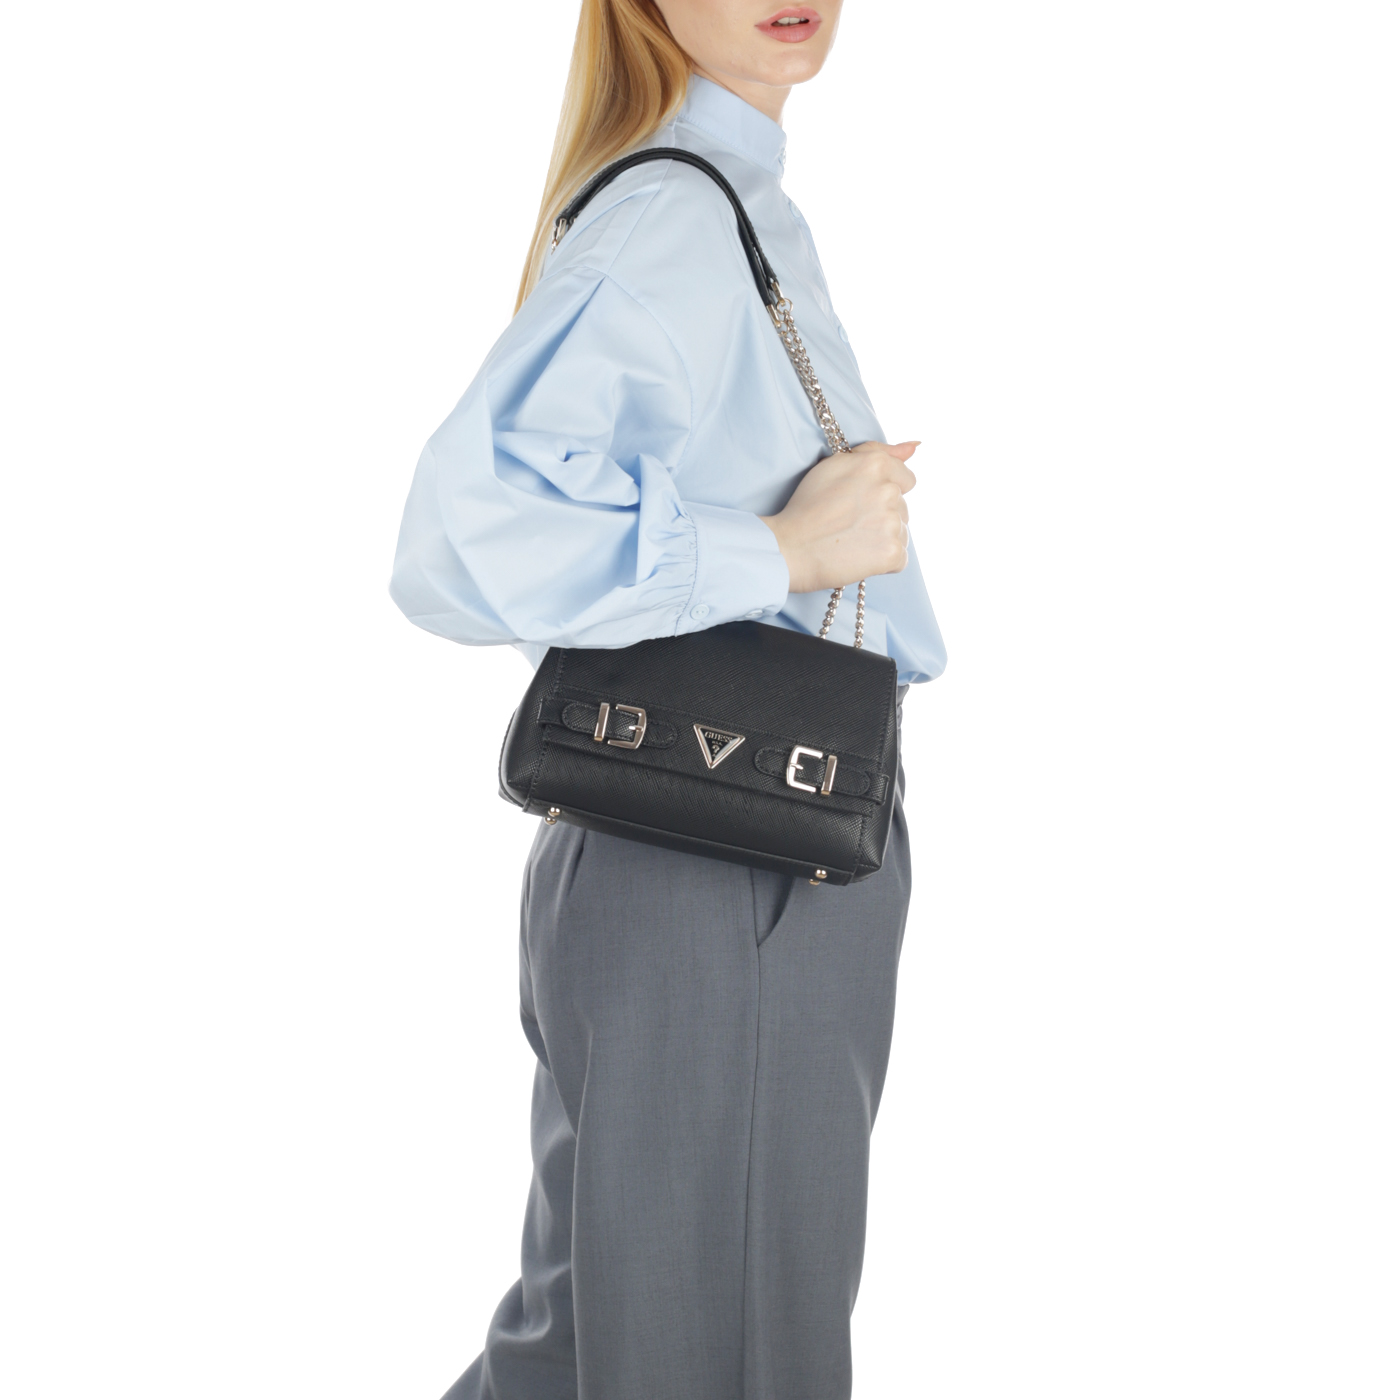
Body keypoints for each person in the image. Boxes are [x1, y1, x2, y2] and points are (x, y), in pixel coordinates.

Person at [390, 3, 946, 1396]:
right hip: (736, 858)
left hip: (693, 846)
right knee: (722, 1350)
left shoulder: (720, 200)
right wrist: (787, 551)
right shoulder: (680, 218)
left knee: (585, 1344)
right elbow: (463, 537)